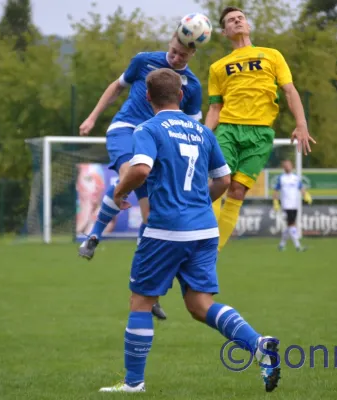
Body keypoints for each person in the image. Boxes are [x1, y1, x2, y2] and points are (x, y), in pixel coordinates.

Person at [98, 68, 281, 394]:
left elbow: (140, 168)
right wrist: (197, 203)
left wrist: (119, 192)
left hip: (166, 230)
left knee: (140, 302)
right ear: (181, 96)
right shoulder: (202, 132)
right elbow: (224, 181)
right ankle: (258, 345)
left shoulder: (148, 128)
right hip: (204, 231)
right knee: (199, 304)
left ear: (147, 97)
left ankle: (133, 384)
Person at [77, 32, 203, 320]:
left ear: (192, 54)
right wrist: (93, 116)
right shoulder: (144, 61)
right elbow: (117, 86)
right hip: (125, 129)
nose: (175, 57)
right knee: (129, 173)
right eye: (173, 50)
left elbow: (190, 127)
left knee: (151, 219)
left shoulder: (192, 86)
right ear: (170, 41)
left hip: (156, 143)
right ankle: (94, 234)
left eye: (182, 55)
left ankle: (148, 290)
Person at [204, 6, 316, 252]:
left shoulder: (272, 55)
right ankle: (198, 236)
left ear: (248, 25)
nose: (237, 22)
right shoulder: (218, 67)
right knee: (219, 180)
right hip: (229, 129)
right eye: (231, 21)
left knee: (237, 190)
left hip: (261, 134)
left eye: (240, 18)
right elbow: (215, 108)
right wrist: (203, 134)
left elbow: (289, 90)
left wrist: (301, 124)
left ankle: (211, 253)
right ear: (225, 32)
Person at [272, 160, 312, 251]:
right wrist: (275, 202)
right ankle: (298, 246)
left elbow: (301, 188)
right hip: (286, 205)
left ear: (292, 166)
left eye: (289, 165)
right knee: (291, 224)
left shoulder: (296, 178)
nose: (287, 167)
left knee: (290, 225)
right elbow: (275, 191)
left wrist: (306, 195)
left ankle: (282, 245)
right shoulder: (281, 178)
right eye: (285, 166)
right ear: (283, 167)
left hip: (295, 205)